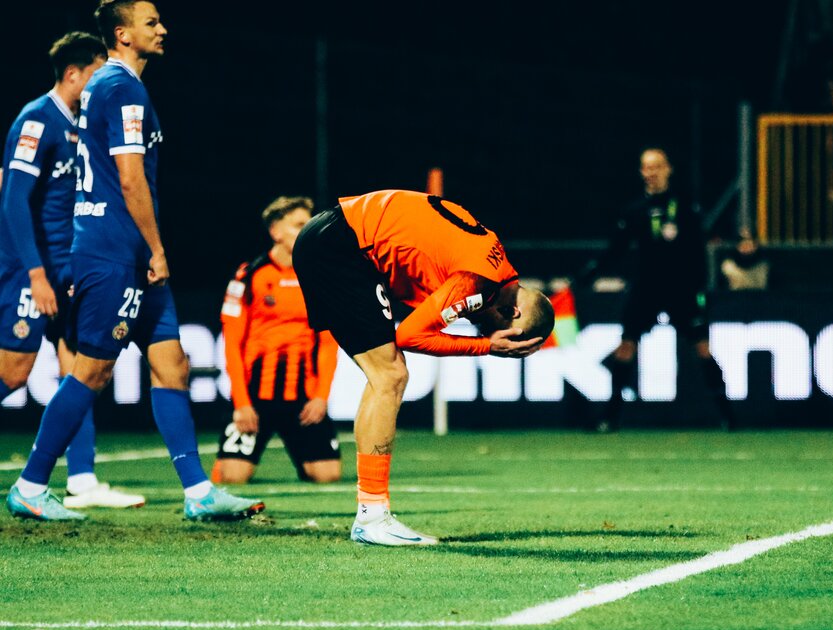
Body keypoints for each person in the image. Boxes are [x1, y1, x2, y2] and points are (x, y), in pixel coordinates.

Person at [6, 0, 263, 521]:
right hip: (114, 253)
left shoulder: (105, 87)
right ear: (122, 34)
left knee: (172, 365)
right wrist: (157, 248)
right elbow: (130, 178)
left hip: (126, 252)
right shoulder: (122, 88)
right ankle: (31, 485)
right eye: (151, 23)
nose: (162, 29)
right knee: (91, 371)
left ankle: (198, 492)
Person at [292, 189, 553, 546]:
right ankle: (372, 517)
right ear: (513, 313)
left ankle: (371, 513)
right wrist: (486, 347)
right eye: (504, 334)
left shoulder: (495, 266)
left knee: (386, 375)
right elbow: (410, 336)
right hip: (342, 245)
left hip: (339, 236)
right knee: (390, 375)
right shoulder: (479, 281)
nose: (486, 331)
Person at [0, 32, 145, 510]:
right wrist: (35, 274)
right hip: (31, 269)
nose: (102, 84)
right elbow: (14, 201)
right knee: (13, 373)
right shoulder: (37, 120)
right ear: (73, 74)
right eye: (96, 74)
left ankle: (81, 479)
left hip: (70, 266)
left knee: (80, 371)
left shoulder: (82, 125)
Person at [585, 147, 733, 433]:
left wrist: (700, 288)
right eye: (646, 167)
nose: (651, 172)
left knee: (702, 348)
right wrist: (590, 271)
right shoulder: (634, 210)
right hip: (646, 288)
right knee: (626, 345)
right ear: (641, 172)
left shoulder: (686, 207)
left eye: (656, 166)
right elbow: (616, 248)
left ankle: (727, 415)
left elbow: (698, 251)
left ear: (668, 169)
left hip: (681, 289)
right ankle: (610, 416)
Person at [213, 196, 341, 484]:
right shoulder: (248, 276)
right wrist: (241, 403)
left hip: (303, 397)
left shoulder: (320, 278)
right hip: (256, 397)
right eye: (299, 225)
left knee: (327, 475)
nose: (307, 230)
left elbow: (328, 344)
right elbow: (231, 343)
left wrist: (321, 397)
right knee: (232, 476)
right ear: (276, 231)